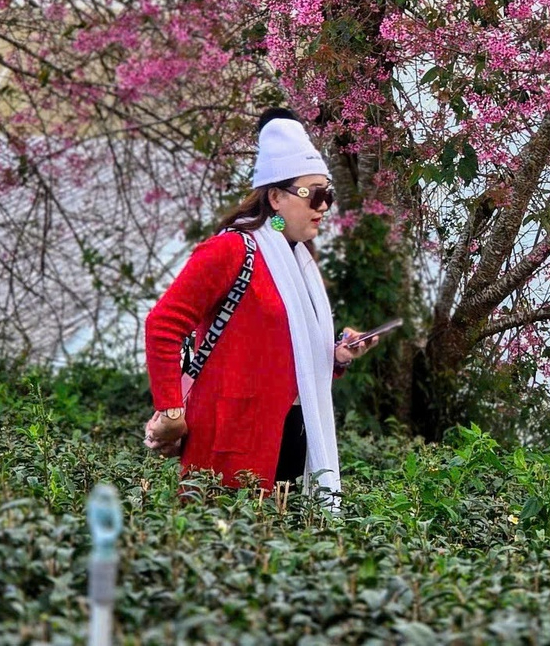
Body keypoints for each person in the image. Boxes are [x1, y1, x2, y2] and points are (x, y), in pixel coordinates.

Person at [142, 109, 379, 493]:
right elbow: (162, 324)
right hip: (231, 439)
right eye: (315, 195)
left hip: (290, 437)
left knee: (278, 547)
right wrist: (170, 409)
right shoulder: (231, 250)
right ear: (275, 197)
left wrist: (336, 357)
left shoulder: (298, 262)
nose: (323, 207)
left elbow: (282, 348)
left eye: (328, 196)